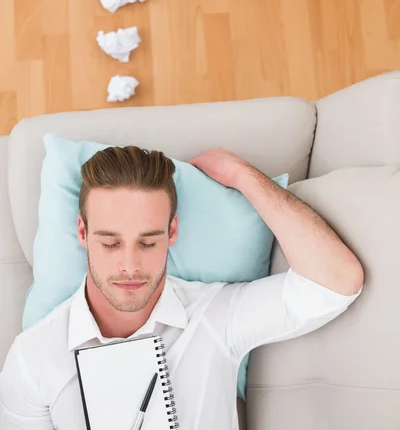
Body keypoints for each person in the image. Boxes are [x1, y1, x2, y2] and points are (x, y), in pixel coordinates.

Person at [0, 146, 364, 429]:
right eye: (111, 243)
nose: (129, 266)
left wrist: (243, 177)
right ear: (83, 233)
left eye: (148, 242)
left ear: (172, 233)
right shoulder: (33, 359)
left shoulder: (216, 317)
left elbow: (335, 282)